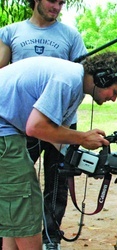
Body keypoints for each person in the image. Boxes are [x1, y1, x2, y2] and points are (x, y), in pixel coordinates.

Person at [0, 52, 117, 250]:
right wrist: (82, 137)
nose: (114, 99)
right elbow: (35, 128)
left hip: (7, 129)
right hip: (5, 131)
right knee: (25, 203)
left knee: (16, 204)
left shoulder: (75, 86)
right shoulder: (67, 81)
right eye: (115, 92)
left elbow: (58, 139)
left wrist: (94, 162)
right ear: (103, 78)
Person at [0, 1, 88, 248]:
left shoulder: (70, 35)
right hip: (19, 122)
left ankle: (51, 237)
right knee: (18, 184)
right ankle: (14, 234)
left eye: (62, 2)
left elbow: (83, 75)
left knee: (56, 180)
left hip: (58, 119)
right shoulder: (11, 31)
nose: (57, 7)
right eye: (52, 0)